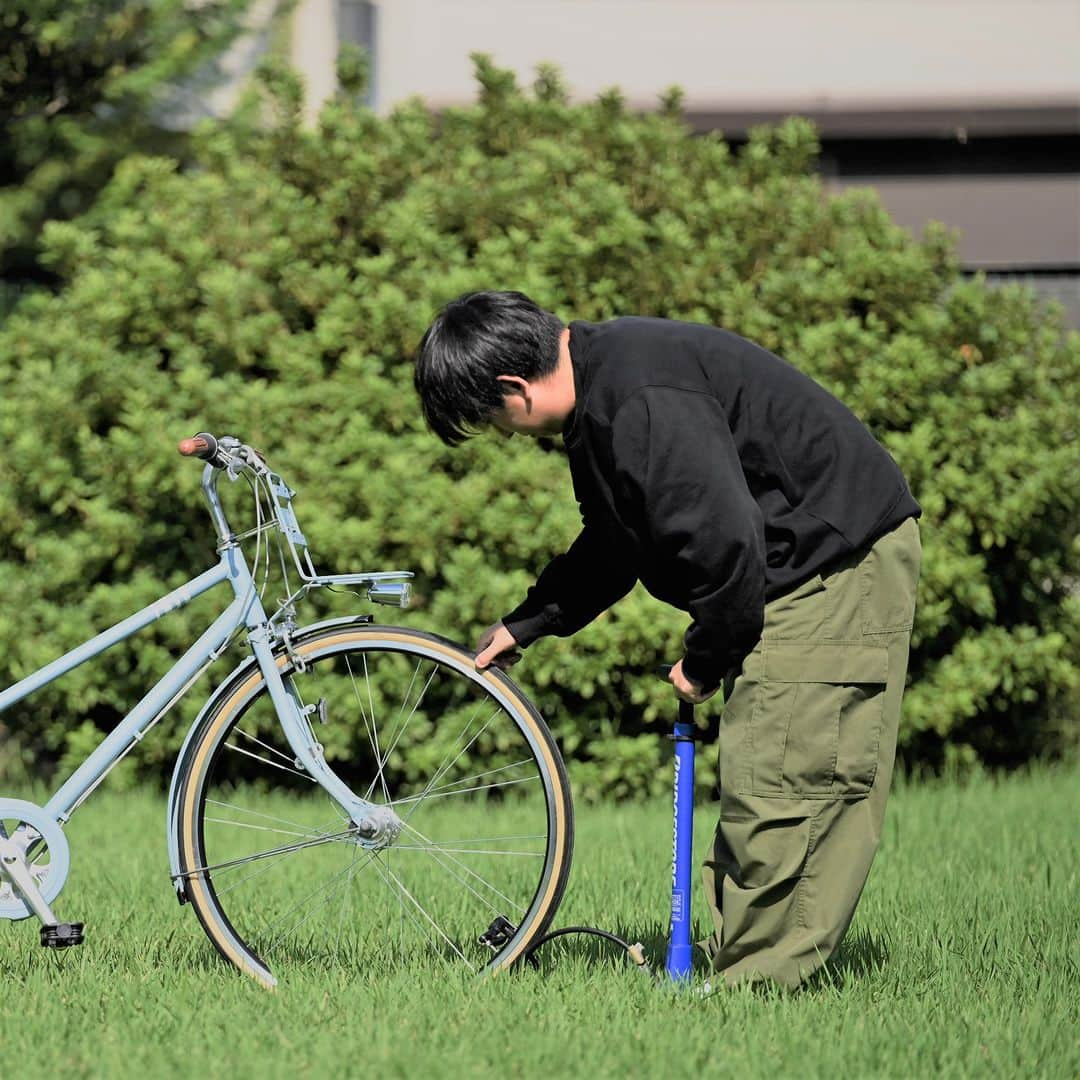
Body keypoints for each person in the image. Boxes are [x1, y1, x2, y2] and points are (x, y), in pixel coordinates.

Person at [413, 289, 922, 990]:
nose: (503, 434)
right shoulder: (601, 394)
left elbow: (726, 542)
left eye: (492, 419)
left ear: (513, 388)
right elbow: (617, 543)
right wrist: (527, 623)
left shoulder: (639, 397)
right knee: (759, 774)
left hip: (834, 561)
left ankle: (755, 996)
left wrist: (707, 657)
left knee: (783, 784)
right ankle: (733, 972)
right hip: (791, 564)